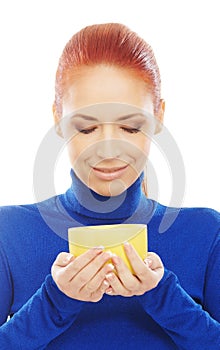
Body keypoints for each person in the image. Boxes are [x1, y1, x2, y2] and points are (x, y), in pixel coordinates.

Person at [0, 22, 219, 350]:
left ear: (158, 116)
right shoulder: (10, 232)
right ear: (58, 119)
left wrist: (164, 297)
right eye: (86, 129)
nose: (107, 150)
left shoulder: (205, 233)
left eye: (130, 127)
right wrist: (53, 303)